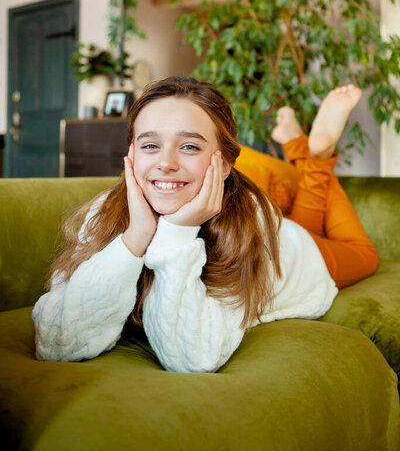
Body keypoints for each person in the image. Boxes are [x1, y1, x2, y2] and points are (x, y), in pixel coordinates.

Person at [33, 77, 378, 372]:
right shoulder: (106, 212)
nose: (166, 162)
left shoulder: (250, 221)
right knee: (303, 214)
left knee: (364, 254)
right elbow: (56, 343)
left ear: (224, 165)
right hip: (267, 217)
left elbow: (192, 358)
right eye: (150, 144)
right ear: (132, 154)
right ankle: (299, 146)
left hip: (293, 251)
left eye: (189, 146)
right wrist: (135, 237)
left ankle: (312, 154)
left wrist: (177, 232)